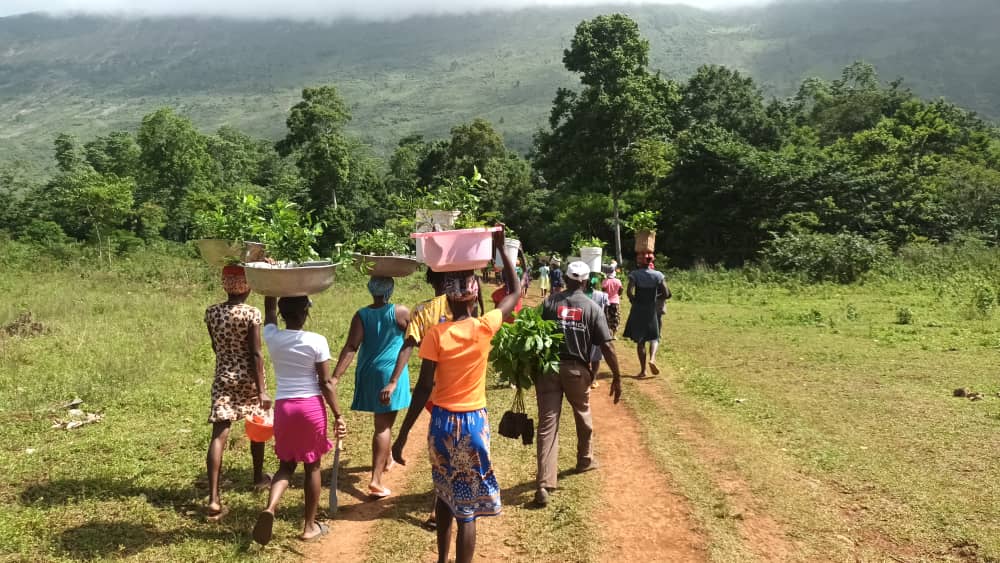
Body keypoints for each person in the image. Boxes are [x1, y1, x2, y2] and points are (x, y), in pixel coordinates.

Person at [392, 226, 521, 563]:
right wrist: (500, 249)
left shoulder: (436, 334)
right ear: (474, 295)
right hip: (475, 423)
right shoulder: (485, 326)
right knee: (468, 511)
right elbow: (515, 290)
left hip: (442, 423)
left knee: (444, 493)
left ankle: (440, 560)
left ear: (446, 296)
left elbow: (422, 390)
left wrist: (402, 435)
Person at [253, 296, 347, 545]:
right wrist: (338, 414)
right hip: (310, 408)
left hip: (284, 408)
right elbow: (326, 383)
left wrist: (271, 288)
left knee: (285, 466)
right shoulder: (316, 341)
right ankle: (309, 526)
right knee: (312, 466)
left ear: (283, 314)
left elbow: (270, 312)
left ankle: (271, 507)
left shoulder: (272, 337)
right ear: (306, 313)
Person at [535, 261, 622, 507]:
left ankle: (543, 482)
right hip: (576, 370)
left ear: (565, 279)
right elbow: (606, 345)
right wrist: (616, 375)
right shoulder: (592, 307)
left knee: (547, 425)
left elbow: (534, 334)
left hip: (548, 369)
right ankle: (585, 459)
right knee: (582, 413)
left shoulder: (550, 303)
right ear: (585, 281)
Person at [331, 277, 411, 499]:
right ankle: (376, 481)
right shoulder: (401, 311)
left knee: (382, 419)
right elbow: (414, 339)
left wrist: (336, 376)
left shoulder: (361, 314)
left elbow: (351, 346)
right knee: (383, 426)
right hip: (390, 373)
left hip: (368, 371)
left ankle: (387, 460)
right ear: (390, 290)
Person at [204, 265, 271, 521]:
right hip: (249, 378)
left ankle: (213, 498)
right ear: (248, 286)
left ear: (225, 284)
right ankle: (257, 477)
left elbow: (215, 346)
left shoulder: (211, 313)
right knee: (256, 428)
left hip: (223, 376)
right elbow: (255, 353)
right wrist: (262, 389)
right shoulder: (251, 314)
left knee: (219, 434)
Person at [623, 254, 671, 378]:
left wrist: (634, 300)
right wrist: (655, 299)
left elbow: (629, 291)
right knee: (654, 336)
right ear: (651, 261)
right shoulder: (658, 275)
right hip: (651, 309)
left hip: (638, 309)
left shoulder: (635, 274)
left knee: (640, 340)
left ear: (640, 262)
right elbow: (666, 293)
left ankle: (643, 370)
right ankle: (653, 359)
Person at [584, 273, 610, 389]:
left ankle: (584, 379)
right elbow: (607, 313)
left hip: (583, 328)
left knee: (584, 354)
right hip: (597, 328)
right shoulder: (602, 295)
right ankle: (593, 380)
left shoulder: (580, 295)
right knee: (596, 356)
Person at [601, 269, 623, 338]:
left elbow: (603, 291)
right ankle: (614, 335)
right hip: (615, 302)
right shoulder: (618, 281)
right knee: (615, 318)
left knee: (606, 317)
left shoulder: (605, 281)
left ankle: (607, 333)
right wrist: (618, 294)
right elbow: (621, 289)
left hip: (607, 302)